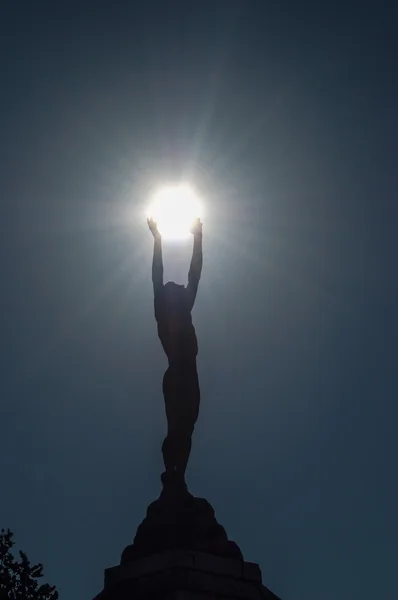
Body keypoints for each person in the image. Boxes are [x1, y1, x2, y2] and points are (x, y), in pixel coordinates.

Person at [147, 216, 203, 482]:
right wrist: (157, 239)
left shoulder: (184, 307)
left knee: (187, 428)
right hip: (177, 374)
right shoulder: (166, 312)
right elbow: (158, 275)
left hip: (190, 374)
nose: (181, 286)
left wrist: (198, 237)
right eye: (176, 287)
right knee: (177, 429)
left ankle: (178, 476)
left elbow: (195, 273)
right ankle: (171, 472)